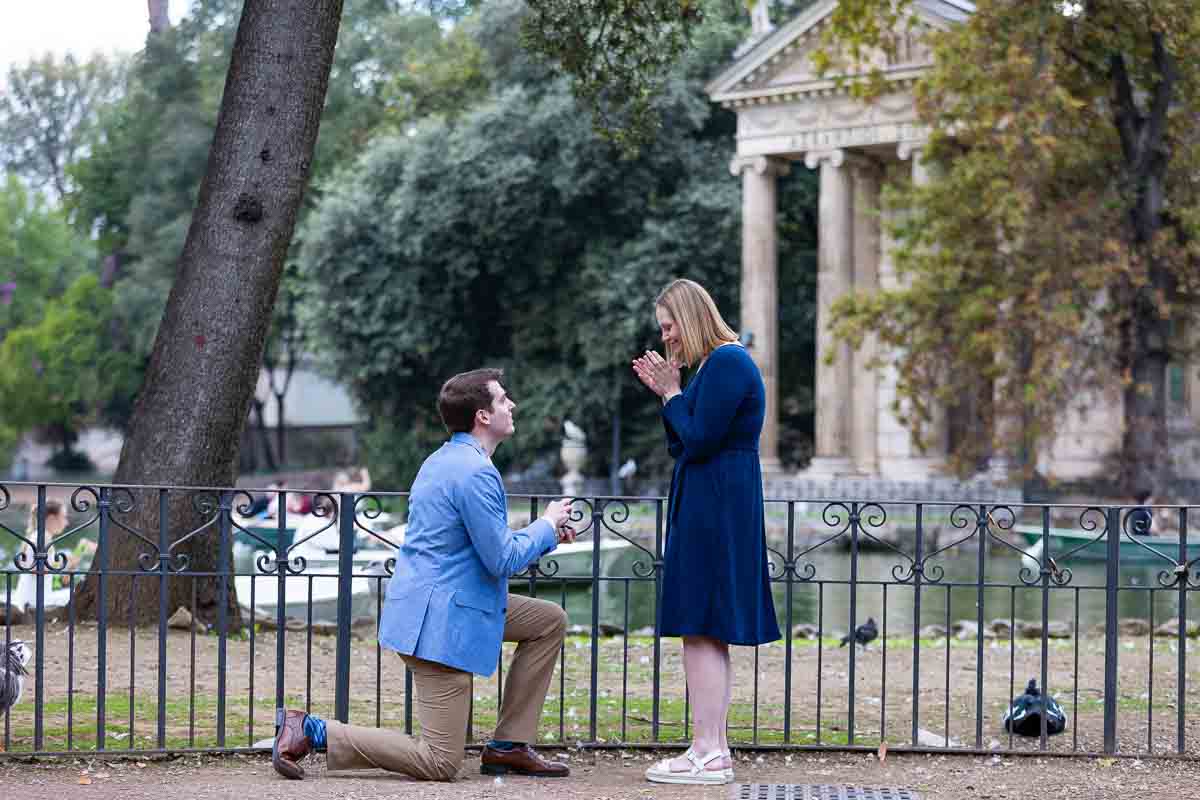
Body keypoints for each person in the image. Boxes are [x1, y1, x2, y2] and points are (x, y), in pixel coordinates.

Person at [272, 368, 577, 782]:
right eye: (503, 399)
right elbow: (502, 559)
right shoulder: (475, 472)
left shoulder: (443, 461)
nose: (512, 405)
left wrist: (547, 534)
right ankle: (312, 730)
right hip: (440, 623)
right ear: (482, 416)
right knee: (439, 761)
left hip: (446, 603)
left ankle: (508, 746)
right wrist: (545, 523)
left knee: (547, 621)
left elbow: (477, 545)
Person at [631, 278, 781, 785]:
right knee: (703, 625)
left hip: (716, 503)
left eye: (669, 327)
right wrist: (670, 396)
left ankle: (709, 751)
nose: (667, 338)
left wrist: (671, 392)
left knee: (701, 624)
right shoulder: (714, 369)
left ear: (691, 318)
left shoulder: (727, 363)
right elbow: (683, 445)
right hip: (712, 498)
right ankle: (709, 748)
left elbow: (696, 441)